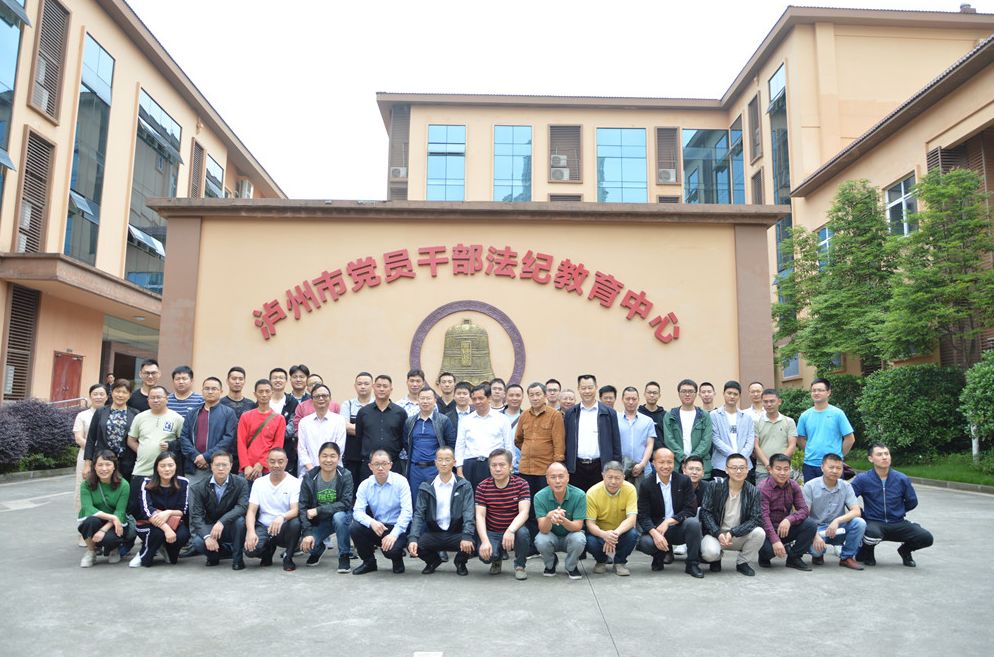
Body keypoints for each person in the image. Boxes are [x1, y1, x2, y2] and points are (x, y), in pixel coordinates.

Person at [852, 443, 934, 567]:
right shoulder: (862, 479)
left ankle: (905, 551)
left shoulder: (901, 479)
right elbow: (849, 498)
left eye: (887, 454)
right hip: (874, 522)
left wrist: (898, 511)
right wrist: (861, 514)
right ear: (871, 458)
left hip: (898, 522)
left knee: (926, 538)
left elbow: (912, 501)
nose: (884, 457)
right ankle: (867, 552)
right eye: (879, 454)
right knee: (871, 534)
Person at [407, 446, 476, 575]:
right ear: (435, 462)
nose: (444, 463)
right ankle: (433, 561)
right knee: (415, 544)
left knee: (471, 543)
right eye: (440, 460)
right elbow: (419, 514)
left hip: (456, 533)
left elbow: (468, 512)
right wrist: (413, 538)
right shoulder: (426, 486)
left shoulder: (464, 485)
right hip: (434, 533)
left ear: (454, 462)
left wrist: (467, 535)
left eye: (447, 460)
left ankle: (460, 562)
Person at [636, 447, 705, 577]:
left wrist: (669, 521)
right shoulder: (646, 484)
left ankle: (692, 564)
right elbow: (643, 515)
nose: (666, 466)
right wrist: (655, 533)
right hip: (658, 529)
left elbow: (690, 509)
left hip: (678, 526)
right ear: (654, 463)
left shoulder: (683, 481)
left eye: (669, 462)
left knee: (693, 524)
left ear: (674, 463)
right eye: (661, 462)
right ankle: (659, 556)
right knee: (645, 543)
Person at [699, 453, 765, 576]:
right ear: (726, 470)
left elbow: (755, 519)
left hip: (737, 535)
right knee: (709, 554)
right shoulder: (714, 486)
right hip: (715, 534)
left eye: (742, 468)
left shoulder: (753, 492)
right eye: (734, 468)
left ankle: (742, 562)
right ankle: (717, 558)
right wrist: (717, 533)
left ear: (747, 470)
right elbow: (705, 512)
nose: (738, 471)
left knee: (759, 533)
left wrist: (733, 532)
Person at [350, 450, 412, 575]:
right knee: (355, 528)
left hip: (397, 527)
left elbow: (407, 512)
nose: (380, 468)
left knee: (391, 550)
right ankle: (369, 562)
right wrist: (371, 522)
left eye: (384, 463)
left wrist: (393, 534)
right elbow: (357, 511)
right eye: (376, 464)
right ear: (370, 466)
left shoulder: (401, 481)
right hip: (378, 526)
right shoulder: (365, 485)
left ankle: (397, 560)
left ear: (390, 465)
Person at [474, 448, 531, 580]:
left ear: (510, 466)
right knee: (485, 556)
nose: (498, 469)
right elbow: (480, 516)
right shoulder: (482, 486)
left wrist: (510, 530)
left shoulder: (521, 484)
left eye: (502, 465)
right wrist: (485, 541)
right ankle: (496, 559)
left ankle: (520, 566)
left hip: (514, 530)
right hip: (492, 531)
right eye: (494, 465)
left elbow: (524, 512)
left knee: (523, 533)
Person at [802, 453, 866, 570]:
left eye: (838, 468)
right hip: (817, 529)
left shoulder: (846, 486)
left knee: (859, 523)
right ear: (822, 468)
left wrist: (837, 521)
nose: (835, 471)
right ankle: (818, 555)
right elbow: (804, 516)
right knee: (816, 551)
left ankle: (846, 558)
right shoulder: (810, 486)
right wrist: (815, 535)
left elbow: (856, 511)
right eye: (831, 467)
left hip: (838, 528)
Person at [188, 450, 249, 570]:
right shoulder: (198, 487)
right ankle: (214, 556)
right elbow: (196, 516)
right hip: (211, 526)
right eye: (217, 465)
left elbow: (242, 507)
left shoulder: (241, 483)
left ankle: (237, 559)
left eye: (224, 465)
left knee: (240, 521)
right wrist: (207, 536)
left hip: (231, 526)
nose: (221, 468)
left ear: (231, 465)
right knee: (198, 542)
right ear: (211, 466)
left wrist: (222, 522)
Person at [299, 441, 354, 572]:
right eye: (324, 456)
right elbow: (303, 506)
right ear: (318, 458)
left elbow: (346, 503)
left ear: (338, 458)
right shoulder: (309, 477)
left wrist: (318, 510)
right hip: (320, 520)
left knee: (339, 517)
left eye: (332, 456)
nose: (328, 460)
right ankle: (318, 549)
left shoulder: (345, 475)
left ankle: (344, 556)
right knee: (308, 546)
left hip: (340, 516)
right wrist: (307, 533)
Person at [244, 448, 302, 571]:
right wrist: (251, 532)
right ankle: (267, 551)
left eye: (280, 461)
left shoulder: (295, 483)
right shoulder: (259, 483)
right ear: (267, 462)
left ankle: (288, 557)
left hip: (283, 526)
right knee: (250, 550)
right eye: (272, 461)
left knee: (296, 523)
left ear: (286, 462)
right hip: (264, 525)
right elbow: (251, 511)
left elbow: (295, 510)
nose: (276, 465)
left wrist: (281, 517)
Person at [757, 453, 816, 571]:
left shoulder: (793, 485)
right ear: (770, 470)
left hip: (784, 528)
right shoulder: (763, 488)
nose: (782, 473)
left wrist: (789, 519)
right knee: (768, 551)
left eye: (786, 469)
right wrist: (775, 541)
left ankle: (794, 558)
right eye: (778, 469)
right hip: (766, 530)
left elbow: (804, 510)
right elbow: (764, 518)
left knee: (810, 524)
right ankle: (763, 556)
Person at [131, 451, 190, 568]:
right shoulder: (147, 482)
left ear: (176, 466)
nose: (167, 469)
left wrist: (168, 513)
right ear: (156, 468)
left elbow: (183, 509)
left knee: (182, 537)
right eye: (162, 466)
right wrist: (166, 528)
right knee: (156, 536)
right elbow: (147, 511)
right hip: (148, 523)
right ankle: (143, 553)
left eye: (170, 465)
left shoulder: (183, 482)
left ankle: (164, 547)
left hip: (173, 522)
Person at [564, 374, 622, 492]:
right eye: (583, 388)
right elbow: (565, 441)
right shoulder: (571, 413)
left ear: (596, 387)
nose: (587, 391)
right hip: (576, 467)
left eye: (590, 388)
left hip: (601, 467)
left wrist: (615, 466)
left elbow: (616, 442)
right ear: (578, 389)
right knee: (578, 499)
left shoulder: (609, 413)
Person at [178, 377, 237, 487]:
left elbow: (228, 440)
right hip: (194, 466)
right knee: (193, 496)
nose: (210, 392)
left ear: (221, 391)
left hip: (218, 466)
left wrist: (206, 457)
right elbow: (184, 437)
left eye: (214, 389)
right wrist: (196, 457)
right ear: (202, 391)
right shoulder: (193, 413)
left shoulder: (228, 413)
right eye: (207, 389)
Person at [454, 383, 514, 489]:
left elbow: (509, 445)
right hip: (470, 465)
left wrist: (510, 467)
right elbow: (460, 446)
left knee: (493, 496)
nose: (477, 402)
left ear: (489, 398)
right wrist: (459, 470)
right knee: (470, 497)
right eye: (474, 399)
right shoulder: (465, 420)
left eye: (481, 398)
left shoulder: (502, 419)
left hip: (494, 465)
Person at [533, 463, 586, 579]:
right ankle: (550, 564)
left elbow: (578, 526)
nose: (557, 481)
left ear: (568, 478)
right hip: (551, 536)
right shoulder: (539, 496)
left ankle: (571, 566)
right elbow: (543, 529)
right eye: (553, 477)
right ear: (547, 480)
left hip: (570, 535)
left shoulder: (580, 495)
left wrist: (563, 520)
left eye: (561, 476)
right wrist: (549, 517)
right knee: (540, 540)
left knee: (579, 538)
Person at [585, 461, 638, 576]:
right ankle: (601, 560)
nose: (613, 482)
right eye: (610, 477)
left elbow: (632, 519)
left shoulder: (630, 489)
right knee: (589, 540)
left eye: (617, 478)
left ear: (623, 477)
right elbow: (590, 523)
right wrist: (604, 535)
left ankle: (620, 562)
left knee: (633, 534)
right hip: (600, 534)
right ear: (603, 476)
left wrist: (614, 534)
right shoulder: (592, 493)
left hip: (621, 533)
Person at [78, 450, 130, 567]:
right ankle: (91, 551)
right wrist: (112, 517)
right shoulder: (86, 485)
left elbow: (120, 512)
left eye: (108, 464)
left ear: (114, 466)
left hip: (114, 523)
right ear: (94, 467)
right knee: (89, 522)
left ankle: (114, 549)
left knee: (110, 539)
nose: (104, 469)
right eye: (100, 465)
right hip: (98, 519)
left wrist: (104, 529)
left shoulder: (124, 485)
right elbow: (87, 508)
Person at [797, 378, 856, 481]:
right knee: (811, 491)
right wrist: (810, 450)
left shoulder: (838, 414)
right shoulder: (805, 415)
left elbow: (850, 438)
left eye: (820, 390)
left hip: (833, 465)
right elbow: (800, 438)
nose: (816, 393)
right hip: (810, 465)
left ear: (828, 392)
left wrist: (839, 455)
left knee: (835, 491)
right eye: (814, 390)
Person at [404, 387, 457, 499]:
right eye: (422, 398)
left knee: (436, 500)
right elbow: (406, 443)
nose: (425, 401)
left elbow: (451, 444)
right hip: (415, 469)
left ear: (435, 400)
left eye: (428, 398)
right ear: (418, 400)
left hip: (435, 468)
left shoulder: (443, 420)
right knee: (416, 500)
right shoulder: (410, 421)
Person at [128, 385, 184, 490]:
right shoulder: (140, 417)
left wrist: (171, 446)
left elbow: (184, 441)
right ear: (148, 400)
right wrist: (142, 450)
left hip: (166, 473)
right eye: (152, 398)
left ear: (167, 399)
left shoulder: (177, 418)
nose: (156, 400)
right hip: (142, 470)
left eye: (159, 397)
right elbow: (131, 440)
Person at [83, 379, 138, 485]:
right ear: (112, 392)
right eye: (117, 391)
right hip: (103, 462)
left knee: (124, 491)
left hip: (127, 463)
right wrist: (87, 464)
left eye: (124, 392)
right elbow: (91, 439)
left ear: (129, 395)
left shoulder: (135, 414)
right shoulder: (100, 412)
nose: (120, 395)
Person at [355, 374, 408, 480]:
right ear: (373, 387)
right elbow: (359, 437)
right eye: (378, 386)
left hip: (393, 465)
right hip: (369, 466)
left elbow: (403, 438)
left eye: (385, 386)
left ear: (391, 389)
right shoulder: (363, 412)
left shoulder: (400, 413)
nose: (381, 389)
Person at [236, 379, 286, 482]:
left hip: (268, 469)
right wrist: (246, 465)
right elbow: (241, 442)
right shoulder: (245, 416)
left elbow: (277, 445)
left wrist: (262, 463)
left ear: (272, 393)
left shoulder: (279, 419)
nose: (264, 394)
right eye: (260, 391)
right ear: (255, 394)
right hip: (247, 469)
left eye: (267, 391)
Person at [663, 379, 714, 479]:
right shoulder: (670, 415)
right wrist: (682, 457)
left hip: (700, 467)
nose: (687, 394)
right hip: (677, 467)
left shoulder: (704, 416)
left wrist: (693, 458)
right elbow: (669, 440)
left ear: (696, 394)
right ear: (679, 394)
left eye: (690, 391)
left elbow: (706, 441)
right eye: (684, 391)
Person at [74, 384, 108, 526]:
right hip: (86, 457)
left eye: (101, 394)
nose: (98, 397)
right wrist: (95, 450)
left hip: (106, 459)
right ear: (90, 396)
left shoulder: (110, 413)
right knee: (83, 489)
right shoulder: (82, 415)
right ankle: (84, 526)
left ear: (107, 397)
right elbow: (79, 438)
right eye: (95, 394)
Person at [296, 384, 347, 476]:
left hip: (333, 472)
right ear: (312, 400)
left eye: (324, 395)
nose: (321, 398)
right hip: (309, 472)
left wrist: (325, 470)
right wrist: (313, 471)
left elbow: (339, 448)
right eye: (317, 396)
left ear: (330, 398)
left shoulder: (339, 420)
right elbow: (302, 450)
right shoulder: (304, 422)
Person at [710, 381, 755, 480]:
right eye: (729, 393)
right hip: (721, 465)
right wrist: (734, 456)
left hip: (744, 465)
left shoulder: (747, 417)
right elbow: (715, 438)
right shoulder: (714, 415)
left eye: (735, 394)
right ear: (723, 394)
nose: (732, 396)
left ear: (739, 396)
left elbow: (750, 439)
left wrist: (741, 457)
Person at [754, 389, 798, 482]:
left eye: (772, 401)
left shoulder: (789, 421)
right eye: (765, 402)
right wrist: (768, 465)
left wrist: (778, 465)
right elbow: (756, 446)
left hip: (784, 470)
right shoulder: (756, 422)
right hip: (763, 470)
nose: (769, 404)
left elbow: (792, 445)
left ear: (779, 402)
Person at [340, 372, 374, 486]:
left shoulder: (377, 405)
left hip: (371, 457)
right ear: (355, 386)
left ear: (372, 386)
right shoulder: (348, 404)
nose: (363, 386)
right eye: (359, 384)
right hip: (352, 457)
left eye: (366, 384)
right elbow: (345, 426)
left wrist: (355, 428)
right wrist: (370, 430)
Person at [220, 366, 254, 473]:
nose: (237, 382)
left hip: (246, 455)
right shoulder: (219, 404)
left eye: (240, 379)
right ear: (227, 381)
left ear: (244, 381)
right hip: (223, 453)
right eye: (234, 379)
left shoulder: (251, 405)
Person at [617, 387, 655, 485]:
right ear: (622, 399)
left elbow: (650, 445)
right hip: (621, 469)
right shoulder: (615, 419)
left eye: (634, 399)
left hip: (643, 470)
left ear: (638, 400)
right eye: (627, 399)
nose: (631, 402)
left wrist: (642, 464)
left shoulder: (648, 421)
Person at [269, 368, 300, 475]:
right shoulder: (263, 401)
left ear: (286, 381)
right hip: (264, 451)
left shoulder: (292, 402)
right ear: (270, 381)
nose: (278, 380)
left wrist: (270, 434)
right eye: (275, 378)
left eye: (281, 378)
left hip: (287, 451)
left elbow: (292, 426)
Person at [637, 381, 666, 446]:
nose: (652, 395)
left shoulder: (665, 415)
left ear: (659, 395)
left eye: (655, 393)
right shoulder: (638, 414)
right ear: (644, 394)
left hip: (661, 450)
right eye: (649, 392)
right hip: (642, 450)